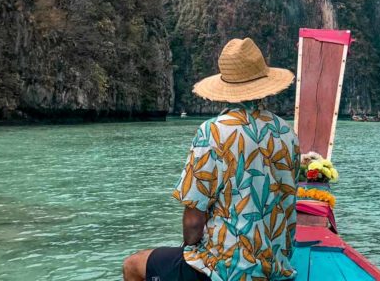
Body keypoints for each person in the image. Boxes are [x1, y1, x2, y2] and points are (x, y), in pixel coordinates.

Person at [123, 38, 300, 281]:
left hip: (227, 270)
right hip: (275, 266)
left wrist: (189, 248)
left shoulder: (212, 132)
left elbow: (194, 221)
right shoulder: (287, 133)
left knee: (133, 266)